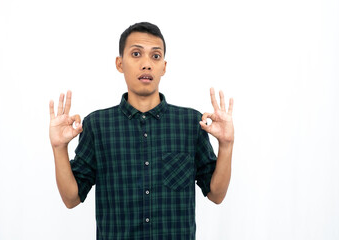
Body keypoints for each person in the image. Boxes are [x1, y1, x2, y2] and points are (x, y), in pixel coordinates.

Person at [49, 22, 234, 240]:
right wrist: (59, 147)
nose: (146, 64)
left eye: (155, 56)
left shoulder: (191, 124)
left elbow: (216, 194)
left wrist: (226, 145)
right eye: (136, 54)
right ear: (120, 63)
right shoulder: (97, 125)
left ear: (164, 66)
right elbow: (71, 198)